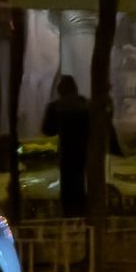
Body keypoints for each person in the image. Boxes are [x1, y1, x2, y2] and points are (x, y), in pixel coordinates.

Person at [42, 73, 91, 213]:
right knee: (81, 182)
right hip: (83, 151)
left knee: (67, 184)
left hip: (66, 151)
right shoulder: (85, 104)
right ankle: (82, 211)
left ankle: (69, 213)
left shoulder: (55, 107)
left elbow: (47, 130)